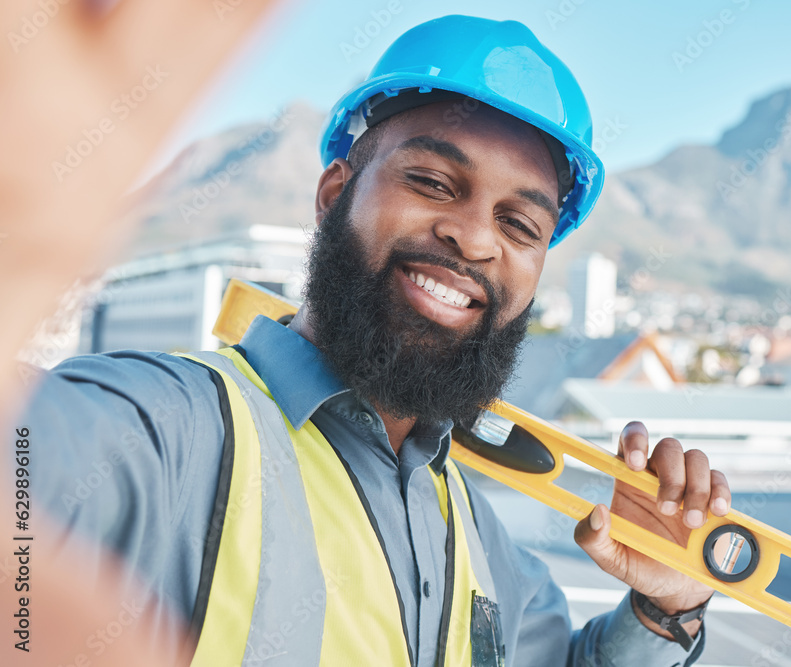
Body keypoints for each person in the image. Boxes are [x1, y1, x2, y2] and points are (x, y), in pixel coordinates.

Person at [23, 15, 731, 666]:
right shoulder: (156, 429)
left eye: (519, 224)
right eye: (432, 181)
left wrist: (663, 610)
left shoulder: (489, 553)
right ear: (335, 194)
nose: (474, 239)